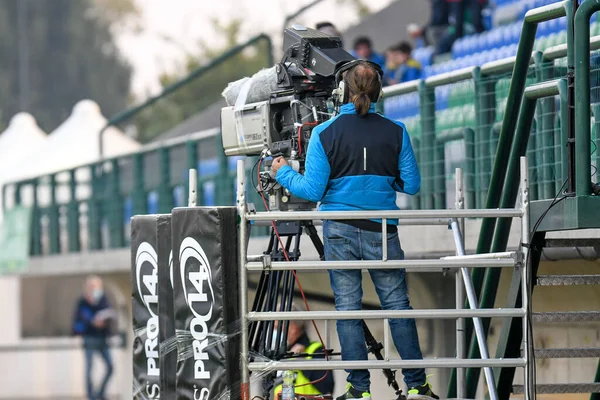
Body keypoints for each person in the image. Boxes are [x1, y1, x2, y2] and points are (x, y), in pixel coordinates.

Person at [271, 60, 438, 400]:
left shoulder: (324, 133)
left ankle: (359, 390)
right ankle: (418, 386)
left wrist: (282, 172)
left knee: (348, 309)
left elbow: (313, 190)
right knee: (398, 307)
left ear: (343, 91)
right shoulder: (397, 130)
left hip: (340, 230)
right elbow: (412, 184)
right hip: (382, 231)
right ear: (377, 92)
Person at [273, 304, 335, 398]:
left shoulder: (315, 350)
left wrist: (302, 361)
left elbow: (327, 388)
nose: (274, 332)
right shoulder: (280, 354)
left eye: (277, 328)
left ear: (292, 328)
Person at [72, 275, 115, 400]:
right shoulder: (82, 301)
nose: (95, 288)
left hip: (102, 338)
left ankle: (100, 393)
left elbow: (108, 313)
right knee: (89, 368)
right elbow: (78, 320)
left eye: (98, 286)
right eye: (93, 286)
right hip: (89, 338)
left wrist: (104, 322)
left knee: (110, 367)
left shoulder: (103, 299)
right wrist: (91, 321)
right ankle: (91, 396)